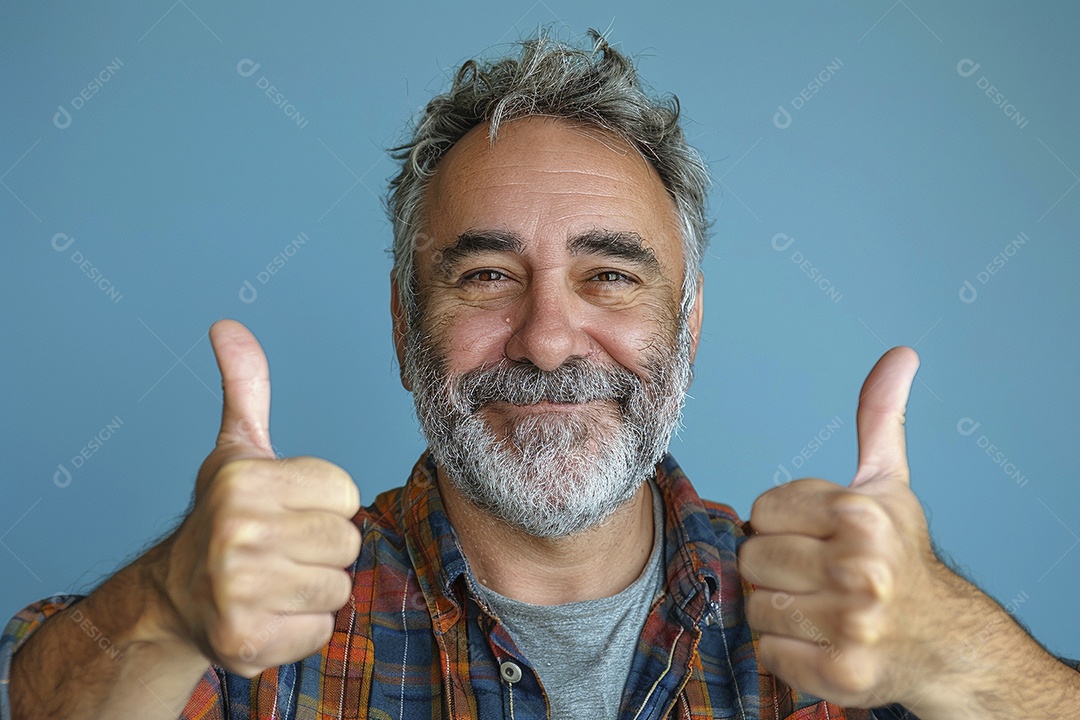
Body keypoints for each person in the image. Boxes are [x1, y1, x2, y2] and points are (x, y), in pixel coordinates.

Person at [2, 30, 1078, 720]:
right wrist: (162, 607)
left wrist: (960, 658)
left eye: (610, 275)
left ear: (688, 324)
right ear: (401, 321)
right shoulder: (263, 624)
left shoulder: (843, 632)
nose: (550, 339)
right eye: (484, 275)